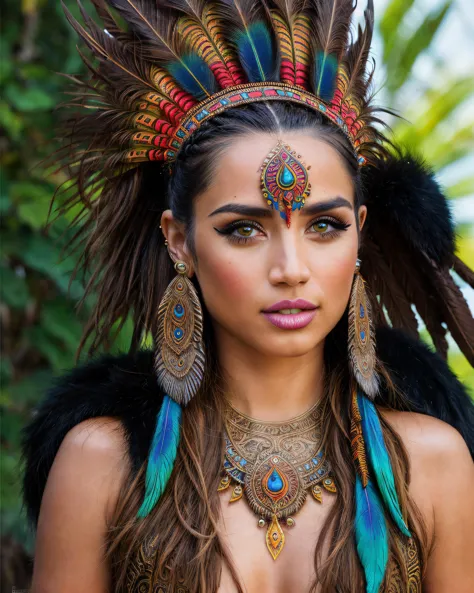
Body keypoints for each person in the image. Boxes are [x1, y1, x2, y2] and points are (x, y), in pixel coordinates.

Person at [21, 1, 474, 592]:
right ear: (179, 241)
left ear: (360, 230)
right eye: (244, 229)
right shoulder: (98, 465)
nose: (291, 269)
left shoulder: (433, 466)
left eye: (324, 226)